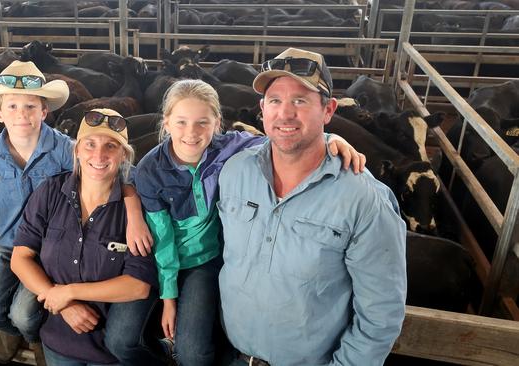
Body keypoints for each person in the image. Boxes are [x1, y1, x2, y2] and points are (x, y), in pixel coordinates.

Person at [133, 79, 365, 366]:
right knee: (124, 339)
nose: (191, 133)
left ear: (217, 123)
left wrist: (329, 139)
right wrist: (169, 298)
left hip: (206, 259)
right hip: (163, 259)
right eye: (181, 122)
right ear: (166, 123)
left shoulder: (230, 148)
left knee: (193, 352)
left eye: (202, 122)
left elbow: (285, 142)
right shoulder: (149, 170)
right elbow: (163, 241)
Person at [217, 48, 407, 366]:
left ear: (328, 110)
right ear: (262, 110)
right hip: (233, 355)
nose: (285, 113)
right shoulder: (235, 171)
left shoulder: (365, 200)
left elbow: (380, 315)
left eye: (301, 101)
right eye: (275, 100)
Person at [0, 61, 153, 365]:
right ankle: (16, 331)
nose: (21, 113)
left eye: (29, 105)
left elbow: (106, 178)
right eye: (12, 106)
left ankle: (35, 337)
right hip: (10, 243)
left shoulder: (66, 149)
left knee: (24, 314)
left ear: (44, 111)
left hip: (49, 248)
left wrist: (132, 209)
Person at [10, 109, 160, 366]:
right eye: (90, 144)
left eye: (110, 146)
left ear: (123, 154)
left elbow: (138, 286)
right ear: (77, 150)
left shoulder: (136, 209)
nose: (98, 155)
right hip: (58, 342)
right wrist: (63, 303)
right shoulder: (50, 192)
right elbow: (20, 258)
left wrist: (68, 292)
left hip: (110, 354)